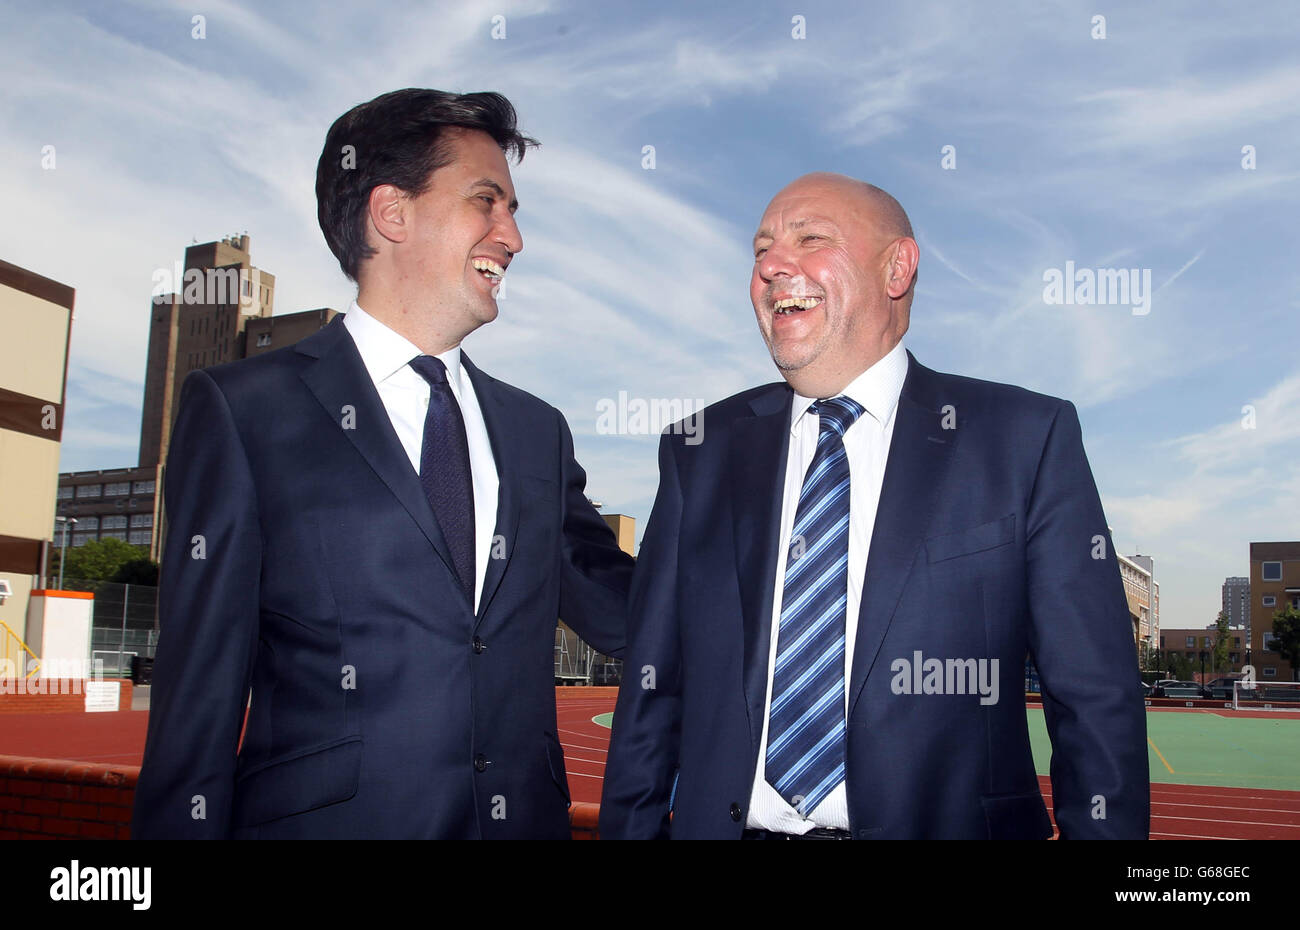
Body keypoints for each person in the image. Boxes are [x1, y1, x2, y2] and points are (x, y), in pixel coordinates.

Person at [132, 89, 634, 839]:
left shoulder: (538, 432)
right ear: (391, 212)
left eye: (514, 209)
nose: (514, 237)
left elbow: (635, 610)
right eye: (487, 202)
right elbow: (196, 700)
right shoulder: (244, 411)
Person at [599, 172, 1149, 840]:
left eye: (810, 239)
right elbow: (652, 698)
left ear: (897, 268)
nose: (772, 265)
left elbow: (1094, 699)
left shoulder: (1023, 439)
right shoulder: (698, 451)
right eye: (762, 249)